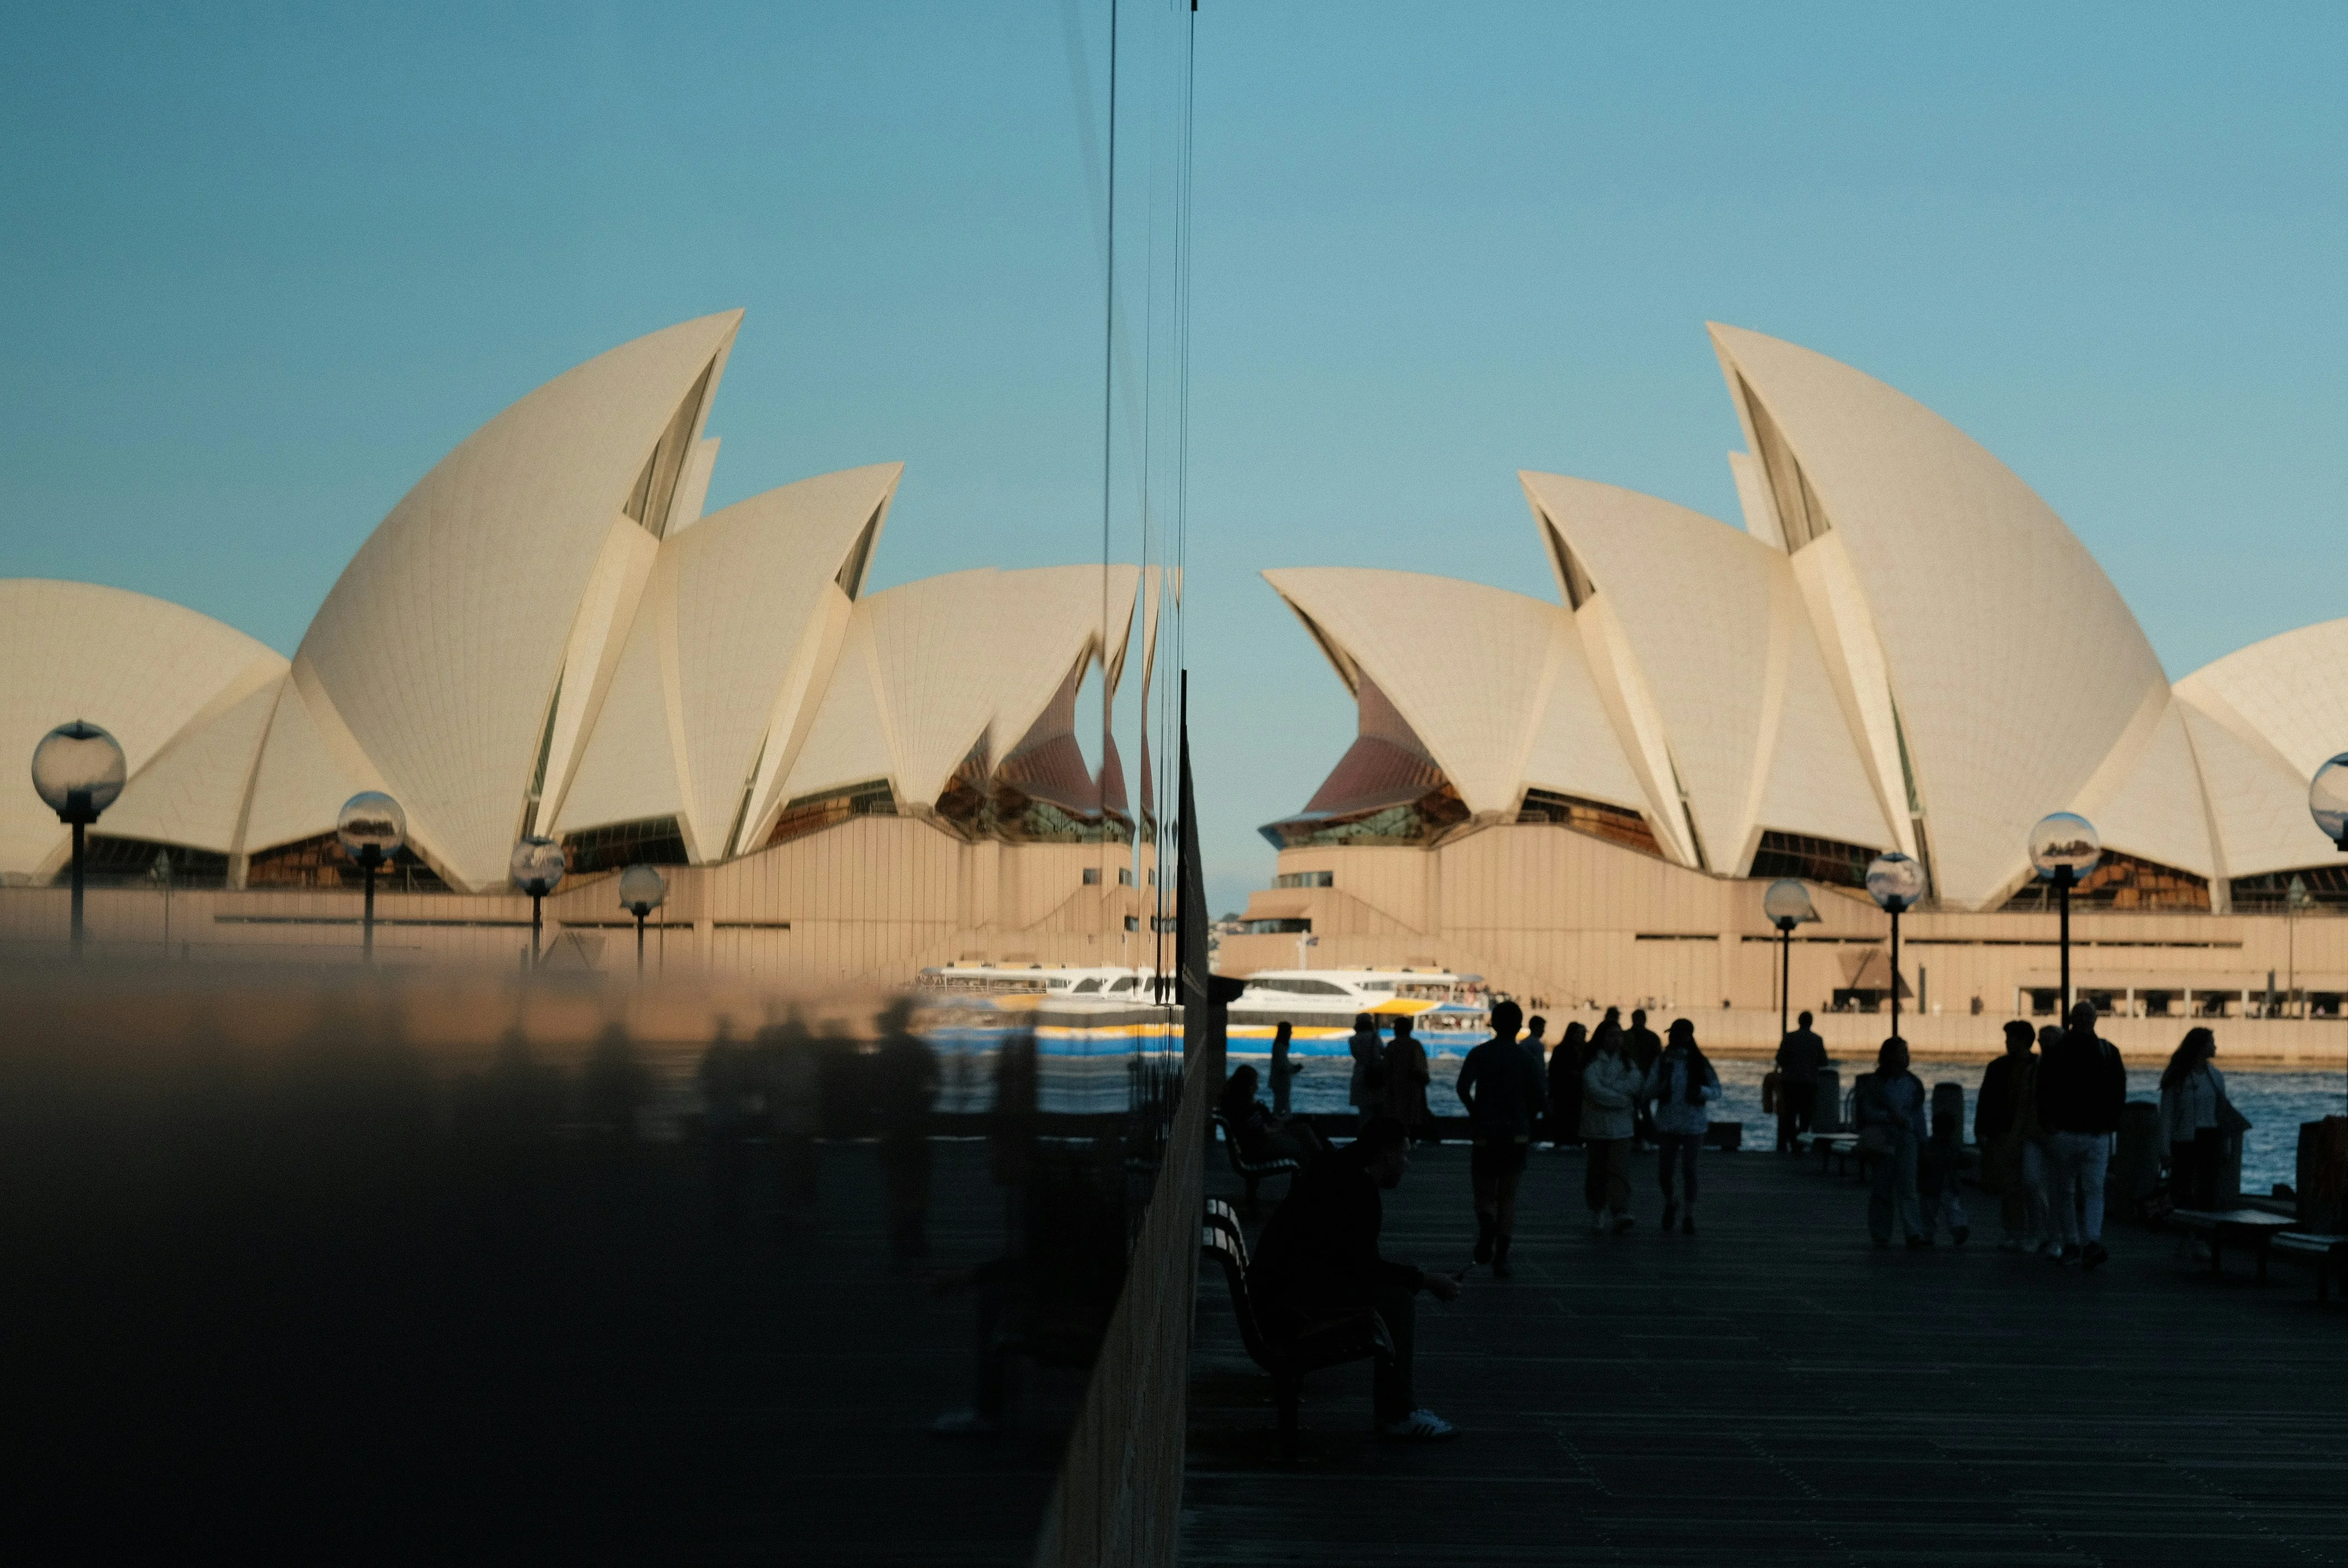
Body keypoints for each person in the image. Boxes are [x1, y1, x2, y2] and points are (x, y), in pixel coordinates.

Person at [1246, 1116, 1463, 1440]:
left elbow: (1352, 1264)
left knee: (1391, 1295)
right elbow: (1364, 1268)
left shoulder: (1339, 1173)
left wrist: (1418, 1279)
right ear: (1387, 1155)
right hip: (1288, 1310)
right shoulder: (1356, 1190)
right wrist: (1428, 1281)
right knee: (1397, 1302)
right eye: (1404, 1156)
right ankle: (1397, 1414)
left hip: (1277, 1294)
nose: (1407, 1164)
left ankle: (1398, 1409)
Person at [1455, 999, 1546, 1275]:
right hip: (1516, 1135)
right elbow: (1540, 1099)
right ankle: (1502, 1258)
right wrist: (1526, 1119)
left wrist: (1476, 1113)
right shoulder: (1527, 1059)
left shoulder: (1480, 1054)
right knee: (1508, 1198)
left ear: (1493, 1023)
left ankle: (1486, 1224)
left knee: (1484, 1194)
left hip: (1486, 1133)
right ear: (1520, 1026)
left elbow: (1462, 1088)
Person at [2037, 1000, 2126, 1270]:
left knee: (2065, 1190)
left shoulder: (2055, 1052)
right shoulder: (2109, 1051)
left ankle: (2073, 1243)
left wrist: (2047, 1123)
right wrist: (2110, 1124)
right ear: (2095, 1020)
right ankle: (2092, 1241)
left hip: (2064, 1131)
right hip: (2097, 1133)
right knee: (2094, 1189)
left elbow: (2043, 1089)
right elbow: (2118, 1091)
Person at [873, 998, 940, 1265]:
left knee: (897, 1190)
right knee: (916, 1189)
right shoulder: (920, 1049)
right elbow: (936, 1083)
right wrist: (925, 1108)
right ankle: (916, 1239)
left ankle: (899, 1243)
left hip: (892, 1129)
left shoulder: (884, 1051)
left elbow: (873, 1089)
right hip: (916, 1128)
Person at [1641, 1019, 1719, 1235]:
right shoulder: (1663, 1061)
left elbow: (1716, 1090)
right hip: (1667, 1123)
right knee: (1664, 1173)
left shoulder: (1699, 1062)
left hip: (1693, 1124)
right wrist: (1659, 1089)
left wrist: (1701, 1092)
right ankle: (1671, 1201)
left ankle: (1688, 1215)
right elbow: (1647, 1090)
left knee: (1689, 1170)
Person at [1975, 1020, 2046, 1251]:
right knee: (2013, 1186)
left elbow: (1985, 1101)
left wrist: (1983, 1131)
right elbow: (1985, 1101)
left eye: (2010, 1038)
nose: (2006, 1043)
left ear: (2023, 1040)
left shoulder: (2026, 1067)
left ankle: (2026, 1232)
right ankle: (2019, 1232)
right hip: (2008, 1132)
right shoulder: (2031, 1065)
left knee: (2026, 1185)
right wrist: (1983, 1131)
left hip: (2024, 1133)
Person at [1856, 1036, 1928, 1249]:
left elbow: (1918, 1114)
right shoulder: (1877, 1084)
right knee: (1882, 1187)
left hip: (1906, 1137)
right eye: (1902, 1052)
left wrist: (1923, 1141)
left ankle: (1913, 1232)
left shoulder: (1913, 1084)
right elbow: (1868, 1113)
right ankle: (1881, 1233)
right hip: (1885, 1137)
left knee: (1908, 1186)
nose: (1907, 1056)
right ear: (1890, 1056)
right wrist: (1891, 1118)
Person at [2158, 1027, 2229, 1212]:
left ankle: (2202, 1225)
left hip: (2210, 1136)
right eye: (2211, 1042)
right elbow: (2166, 1116)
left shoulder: (2216, 1076)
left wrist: (2226, 1143)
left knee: (2208, 1186)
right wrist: (2165, 1150)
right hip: (2185, 1138)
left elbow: (2222, 1113)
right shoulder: (2178, 1077)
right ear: (2200, 1047)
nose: (2215, 1046)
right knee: (2181, 1185)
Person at [1581, 1023, 1642, 1231]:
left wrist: (1610, 1091)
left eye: (1619, 1036)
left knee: (1619, 1171)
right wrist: (1621, 1098)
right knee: (1596, 1171)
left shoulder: (1628, 1063)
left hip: (1622, 1128)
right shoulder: (1591, 1062)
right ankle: (1597, 1212)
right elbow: (1593, 1090)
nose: (1616, 1040)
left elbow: (1635, 1083)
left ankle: (1619, 1210)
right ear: (1601, 1038)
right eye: (1611, 1036)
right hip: (1596, 1127)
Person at [1221, 1064, 1329, 1165]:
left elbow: (1261, 1127)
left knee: (1304, 1129)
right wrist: (1278, 1128)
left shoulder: (1243, 1105)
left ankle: (1323, 1160)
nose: (1257, 1087)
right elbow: (1260, 1131)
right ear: (1247, 1086)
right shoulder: (1243, 1108)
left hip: (1261, 1142)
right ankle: (1320, 1167)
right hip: (1259, 1147)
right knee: (1302, 1147)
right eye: (1255, 1084)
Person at [1916, 1090, 1970, 1246]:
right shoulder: (1952, 1147)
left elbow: (1922, 1163)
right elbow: (1958, 1161)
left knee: (1928, 1212)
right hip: (1946, 1185)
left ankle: (1928, 1234)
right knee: (1952, 1208)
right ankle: (1958, 1228)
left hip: (1930, 1186)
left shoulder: (1928, 1147)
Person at [1774, 1010, 1826, 1152]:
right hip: (1809, 1083)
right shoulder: (1817, 1040)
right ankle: (1800, 1143)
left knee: (1790, 1115)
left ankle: (1791, 1141)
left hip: (1790, 1083)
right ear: (1811, 1023)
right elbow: (1823, 1061)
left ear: (1799, 1021)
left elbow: (1779, 1059)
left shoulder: (1789, 1038)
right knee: (1805, 1117)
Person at [1379, 1014, 1433, 1139]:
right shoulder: (1415, 1045)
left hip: (1395, 1088)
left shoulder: (1392, 1046)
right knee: (1412, 1116)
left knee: (1396, 1116)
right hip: (1413, 1087)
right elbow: (1421, 1068)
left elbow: (1386, 1068)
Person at [1546, 1020, 1588, 1149]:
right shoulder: (1561, 1050)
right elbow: (1555, 1070)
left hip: (1580, 1092)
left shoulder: (1586, 1049)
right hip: (1564, 1091)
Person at [1626, 1009, 1663, 1148]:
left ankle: (1637, 1139)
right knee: (1644, 1110)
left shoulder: (1626, 1036)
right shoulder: (1652, 1037)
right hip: (1646, 1078)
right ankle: (1648, 1139)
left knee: (1635, 1111)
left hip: (1633, 1079)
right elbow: (1659, 1058)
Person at [1347, 1013, 1386, 1128]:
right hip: (1377, 1074)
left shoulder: (1353, 1040)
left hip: (1360, 1075)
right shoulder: (1375, 1037)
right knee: (1378, 1110)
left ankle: (1364, 1138)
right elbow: (1383, 1053)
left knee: (1364, 1112)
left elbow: (1356, 1056)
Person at [1269, 1020, 1301, 1117]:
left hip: (1279, 1081)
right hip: (1281, 1082)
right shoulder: (1280, 1047)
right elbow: (1283, 1066)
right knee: (1282, 1107)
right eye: (1290, 1031)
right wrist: (1294, 1069)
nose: (1291, 1033)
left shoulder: (1278, 1046)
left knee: (1280, 1106)